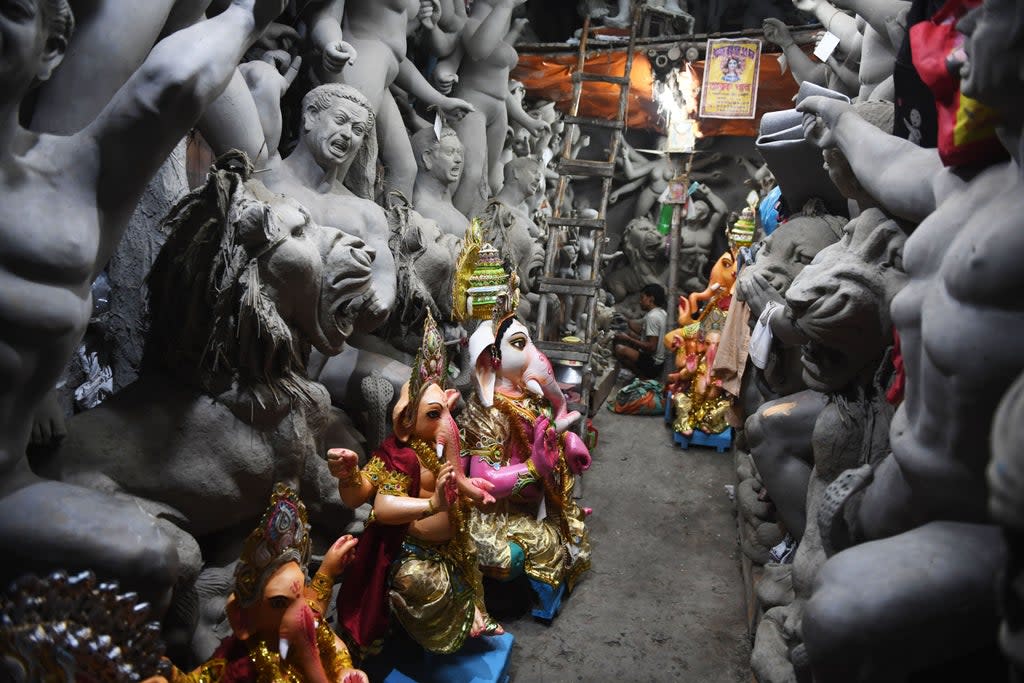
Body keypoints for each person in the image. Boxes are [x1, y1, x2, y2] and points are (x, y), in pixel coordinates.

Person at [614, 283, 668, 380]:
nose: (640, 301)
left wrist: (628, 339)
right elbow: (643, 331)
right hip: (659, 362)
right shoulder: (661, 313)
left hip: (653, 364)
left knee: (619, 348)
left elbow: (651, 347)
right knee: (630, 334)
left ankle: (642, 377)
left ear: (651, 299)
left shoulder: (653, 317)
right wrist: (627, 321)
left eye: (642, 298)